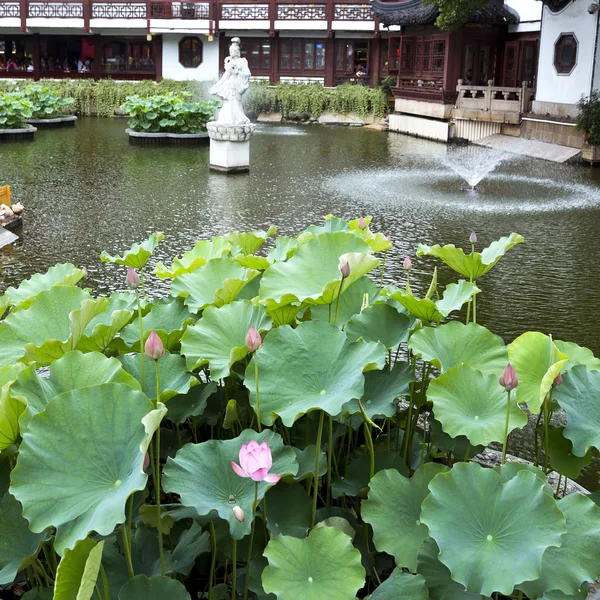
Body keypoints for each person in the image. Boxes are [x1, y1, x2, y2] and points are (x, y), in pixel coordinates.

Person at [209, 37, 251, 125]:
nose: (230, 53)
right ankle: (227, 119)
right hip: (230, 84)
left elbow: (247, 73)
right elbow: (226, 76)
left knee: (236, 101)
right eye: (230, 51)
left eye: (232, 51)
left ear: (237, 52)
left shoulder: (242, 61)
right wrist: (218, 85)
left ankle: (238, 119)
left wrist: (237, 71)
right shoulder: (230, 62)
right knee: (228, 102)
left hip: (237, 84)